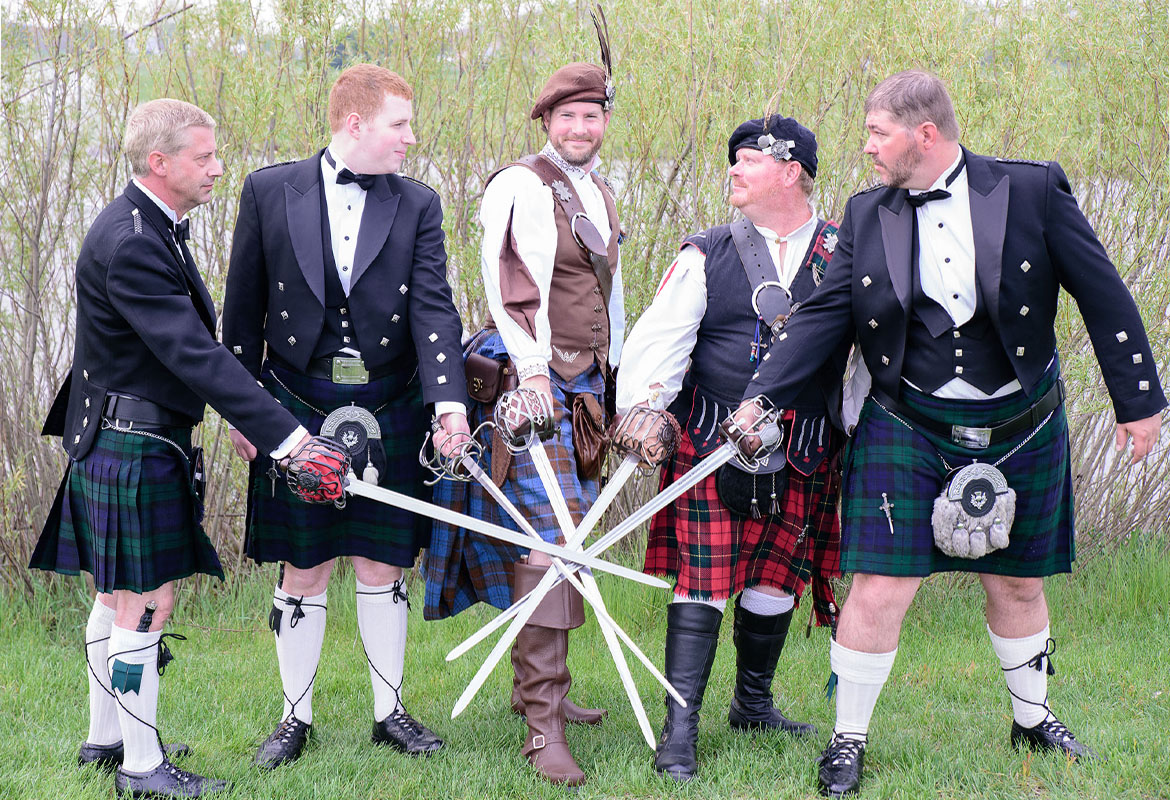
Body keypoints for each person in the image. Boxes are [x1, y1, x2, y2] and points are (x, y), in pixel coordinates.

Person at [730, 70, 1166, 797]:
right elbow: (824, 316)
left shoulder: (1030, 190)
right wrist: (760, 399)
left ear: (923, 134)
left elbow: (1102, 290)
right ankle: (848, 737)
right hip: (909, 418)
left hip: (1020, 419)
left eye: (878, 133)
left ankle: (1032, 718)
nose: (867, 147)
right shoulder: (867, 212)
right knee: (879, 583)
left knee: (1018, 581)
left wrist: (1139, 399)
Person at [30, 98, 327, 798]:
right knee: (144, 606)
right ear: (159, 162)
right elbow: (195, 354)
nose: (218, 168)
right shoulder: (135, 241)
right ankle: (141, 767)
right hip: (132, 444)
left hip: (121, 434)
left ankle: (106, 739)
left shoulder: (141, 224)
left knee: (114, 599)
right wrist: (289, 438)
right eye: (205, 156)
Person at [221, 64, 469, 769]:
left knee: (383, 560)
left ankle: (390, 712)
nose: (410, 139)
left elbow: (433, 309)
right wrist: (243, 409)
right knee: (303, 564)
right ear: (355, 123)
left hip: (389, 400)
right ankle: (293, 718)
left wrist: (449, 405)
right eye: (400, 124)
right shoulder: (269, 190)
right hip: (294, 404)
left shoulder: (418, 203)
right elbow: (242, 309)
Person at [615, 116, 847, 782]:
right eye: (733, 160)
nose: (734, 170)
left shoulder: (844, 251)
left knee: (776, 576)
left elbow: (865, 350)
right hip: (711, 441)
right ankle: (680, 729)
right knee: (703, 580)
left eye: (750, 160)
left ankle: (752, 704)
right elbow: (661, 339)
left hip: (804, 444)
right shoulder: (708, 251)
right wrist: (646, 407)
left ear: (792, 171)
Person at [423, 60, 623, 786]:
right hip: (531, 386)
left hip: (584, 385)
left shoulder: (598, 188)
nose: (580, 128)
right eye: (567, 117)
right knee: (552, 547)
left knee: (564, 540)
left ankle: (537, 692)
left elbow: (608, 297)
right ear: (546, 122)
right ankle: (543, 729)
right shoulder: (522, 183)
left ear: (604, 121)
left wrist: (617, 377)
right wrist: (535, 372)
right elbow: (511, 283)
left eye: (592, 116)